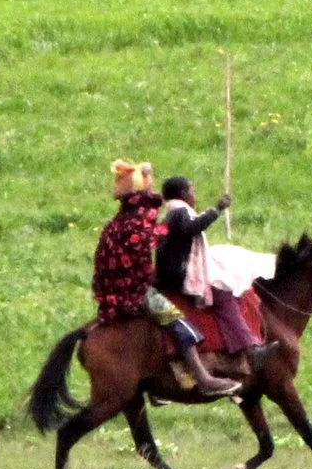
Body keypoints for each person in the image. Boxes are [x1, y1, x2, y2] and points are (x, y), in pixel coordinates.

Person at [94, 160, 236, 398]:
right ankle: (203, 378)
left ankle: (163, 386)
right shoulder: (136, 224)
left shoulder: (114, 225)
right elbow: (161, 235)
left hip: (112, 290)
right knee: (181, 326)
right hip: (134, 291)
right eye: (147, 193)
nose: (152, 197)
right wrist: (212, 211)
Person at [153, 176, 261, 370]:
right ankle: (248, 348)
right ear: (184, 194)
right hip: (179, 275)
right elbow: (192, 228)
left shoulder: (170, 214)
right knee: (223, 295)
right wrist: (217, 209)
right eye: (192, 190)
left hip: (170, 273)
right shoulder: (179, 212)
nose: (194, 195)